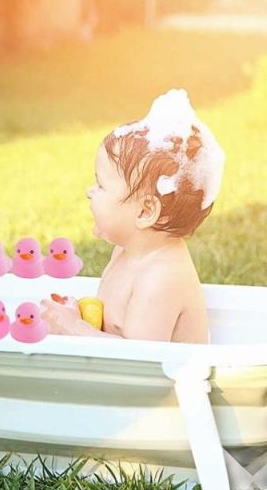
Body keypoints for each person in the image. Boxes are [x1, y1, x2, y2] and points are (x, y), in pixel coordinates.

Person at [40, 89, 224, 343]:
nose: (89, 192)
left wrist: (71, 328)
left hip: (169, 382)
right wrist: (78, 317)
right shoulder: (126, 251)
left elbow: (140, 362)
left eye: (101, 185)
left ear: (146, 211)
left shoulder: (161, 278)